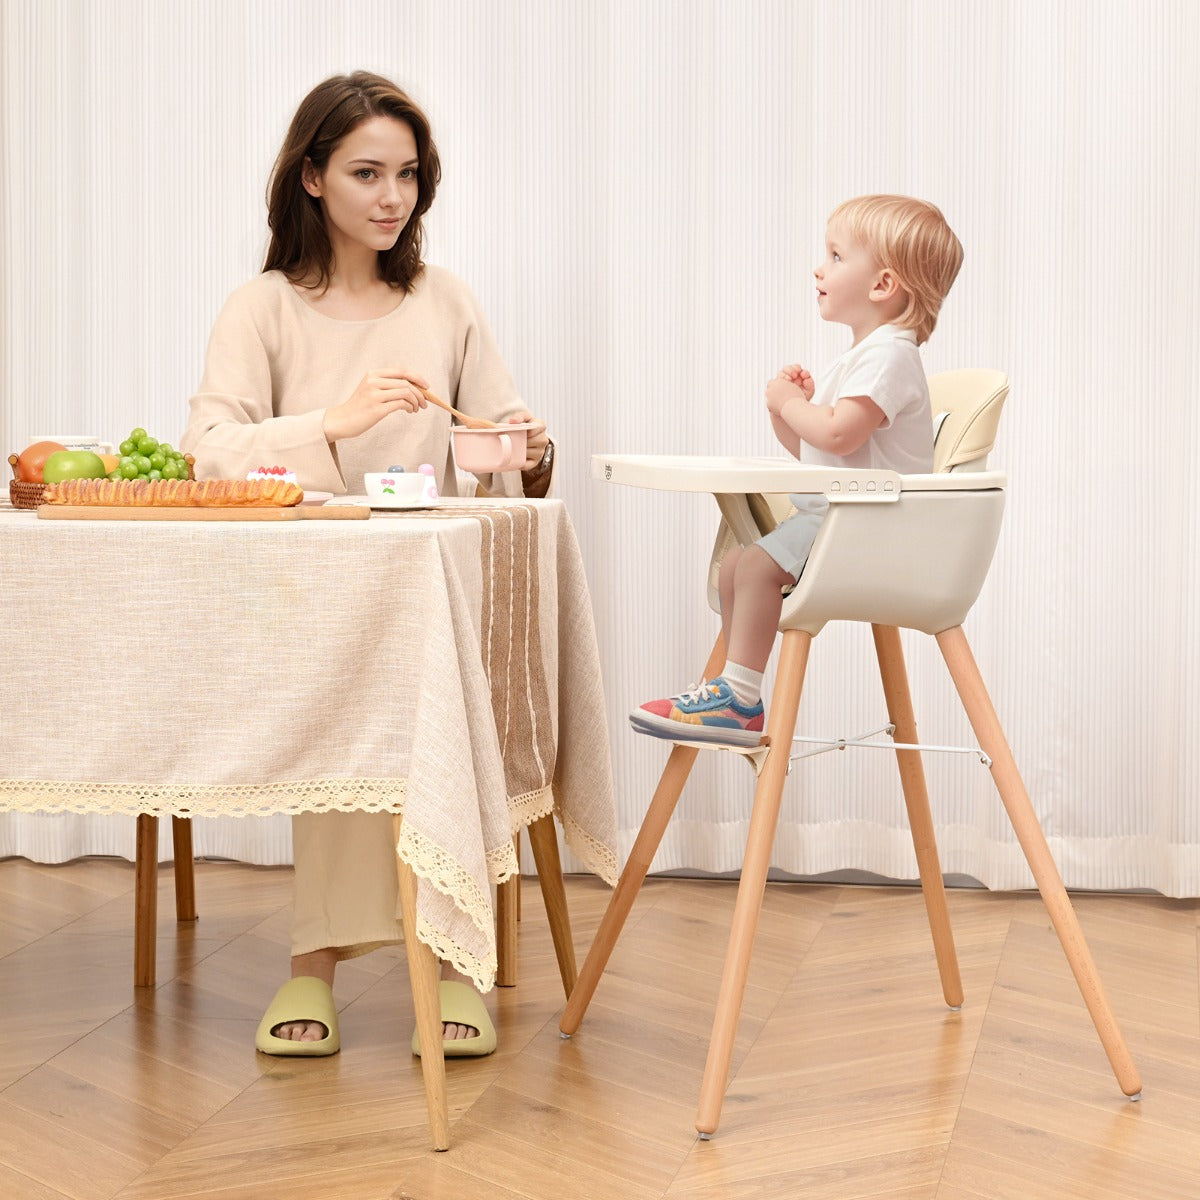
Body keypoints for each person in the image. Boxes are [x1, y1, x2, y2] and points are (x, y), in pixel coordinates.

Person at [182, 71, 554, 1057]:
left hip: (435, 581)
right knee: (343, 697)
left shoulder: (445, 300)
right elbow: (207, 452)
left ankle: (457, 961)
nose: (394, 197)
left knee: (438, 698)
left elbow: (497, 441)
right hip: (305, 590)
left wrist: (525, 446)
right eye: (367, 173)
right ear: (312, 176)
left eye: (409, 174)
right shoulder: (261, 308)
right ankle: (314, 964)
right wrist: (331, 424)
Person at [631, 194, 963, 747]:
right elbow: (817, 451)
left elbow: (837, 434)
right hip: (843, 515)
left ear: (882, 284)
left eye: (836, 256)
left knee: (756, 568)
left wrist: (791, 404)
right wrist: (787, 411)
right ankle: (731, 687)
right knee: (737, 564)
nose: (819, 269)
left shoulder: (890, 355)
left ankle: (739, 698)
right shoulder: (863, 357)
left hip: (868, 525)